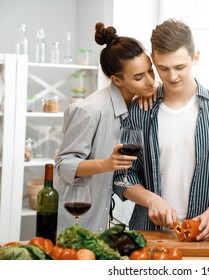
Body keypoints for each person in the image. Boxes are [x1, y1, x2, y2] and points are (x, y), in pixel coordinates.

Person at [113, 19, 209, 241]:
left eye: (180, 67)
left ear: (195, 57)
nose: (172, 76)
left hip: (207, 236)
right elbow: (123, 175)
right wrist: (150, 199)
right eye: (163, 68)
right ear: (153, 61)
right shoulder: (138, 112)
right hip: (149, 234)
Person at [55, 22, 156, 234]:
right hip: (77, 219)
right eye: (139, 77)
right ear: (117, 79)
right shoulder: (89, 111)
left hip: (104, 218)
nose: (150, 82)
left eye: (150, 72)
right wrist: (106, 164)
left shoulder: (136, 103)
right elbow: (64, 165)